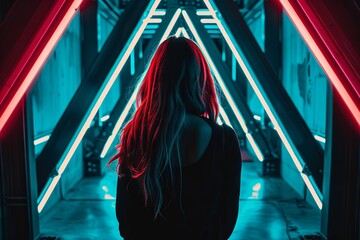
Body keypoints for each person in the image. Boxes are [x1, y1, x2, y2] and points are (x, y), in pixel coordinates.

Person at [109, 36, 242, 240]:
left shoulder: (135, 136)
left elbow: (126, 221)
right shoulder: (225, 140)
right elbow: (226, 220)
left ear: (155, 79)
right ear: (201, 78)